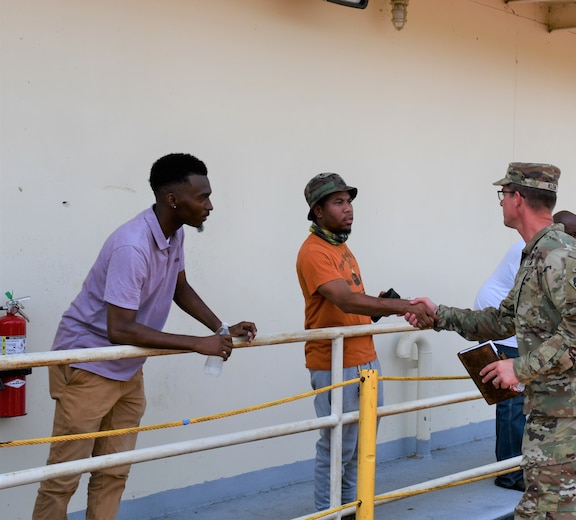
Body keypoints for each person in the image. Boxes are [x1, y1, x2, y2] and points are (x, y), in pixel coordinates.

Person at [32, 153, 257, 520]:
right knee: (63, 476)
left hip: (126, 367)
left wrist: (219, 329)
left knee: (115, 470)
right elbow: (118, 328)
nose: (209, 206)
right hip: (88, 365)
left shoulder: (174, 233)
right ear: (173, 200)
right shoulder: (132, 245)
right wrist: (196, 344)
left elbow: (179, 287)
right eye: (202, 197)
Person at [407, 163, 576, 520]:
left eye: (503, 195)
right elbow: (503, 319)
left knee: (545, 514)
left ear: (517, 198)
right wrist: (438, 314)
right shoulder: (534, 254)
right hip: (562, 405)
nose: (502, 202)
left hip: (573, 410)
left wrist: (519, 368)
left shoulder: (562, 255)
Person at [295, 172, 436, 513]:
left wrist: (381, 307)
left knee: (360, 449)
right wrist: (404, 306)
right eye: (338, 202)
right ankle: (329, 512)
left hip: (363, 359)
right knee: (336, 449)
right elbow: (346, 301)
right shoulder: (314, 252)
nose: (348, 209)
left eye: (349, 201)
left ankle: (351, 511)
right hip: (335, 363)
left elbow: (353, 305)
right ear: (317, 210)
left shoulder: (340, 246)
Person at [473, 238, 527, 492]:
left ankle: (519, 463)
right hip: (502, 327)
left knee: (522, 401)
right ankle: (509, 474)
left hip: (514, 326)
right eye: (574, 234)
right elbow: (532, 297)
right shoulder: (527, 249)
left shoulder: (548, 249)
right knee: (511, 402)